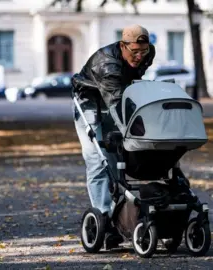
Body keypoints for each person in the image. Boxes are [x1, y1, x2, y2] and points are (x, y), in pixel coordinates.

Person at [71, 24, 156, 248]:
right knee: (97, 159)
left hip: (116, 94)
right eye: (134, 52)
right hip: (90, 101)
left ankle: (121, 213)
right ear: (122, 45)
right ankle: (104, 218)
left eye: (143, 51)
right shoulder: (106, 64)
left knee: (116, 157)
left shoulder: (149, 52)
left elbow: (131, 86)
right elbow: (117, 104)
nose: (139, 57)